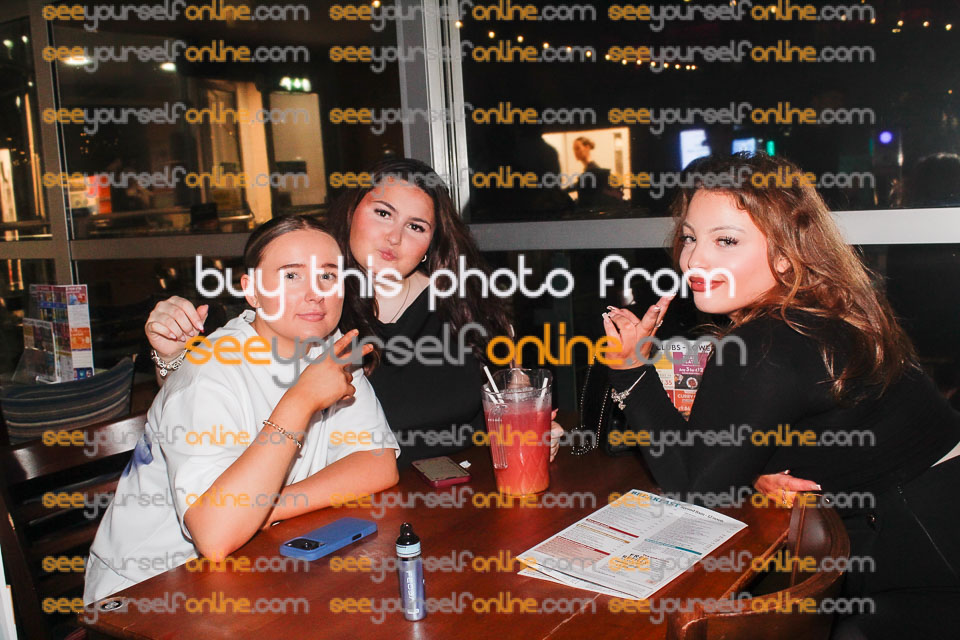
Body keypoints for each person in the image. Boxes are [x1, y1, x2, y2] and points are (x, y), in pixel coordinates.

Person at [602, 152, 960, 639]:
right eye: (689, 237)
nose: (694, 260)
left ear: (788, 254)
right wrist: (753, 472)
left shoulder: (767, 344)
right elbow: (792, 429)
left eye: (726, 240)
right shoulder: (826, 309)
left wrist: (630, 369)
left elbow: (696, 492)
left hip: (923, 551)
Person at [144, 158, 563, 468]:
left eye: (416, 226)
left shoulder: (464, 308)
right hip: (334, 509)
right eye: (383, 213)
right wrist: (171, 355)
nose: (394, 237)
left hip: (458, 499)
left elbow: (509, 401)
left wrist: (538, 430)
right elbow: (205, 387)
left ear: (431, 245)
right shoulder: (309, 305)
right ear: (352, 212)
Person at [84, 217, 399, 603]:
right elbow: (216, 534)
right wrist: (300, 400)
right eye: (291, 276)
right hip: (148, 591)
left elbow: (378, 462)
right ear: (252, 291)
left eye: (328, 276)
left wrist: (266, 508)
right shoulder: (208, 372)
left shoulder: (330, 346)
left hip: (257, 565)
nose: (315, 293)